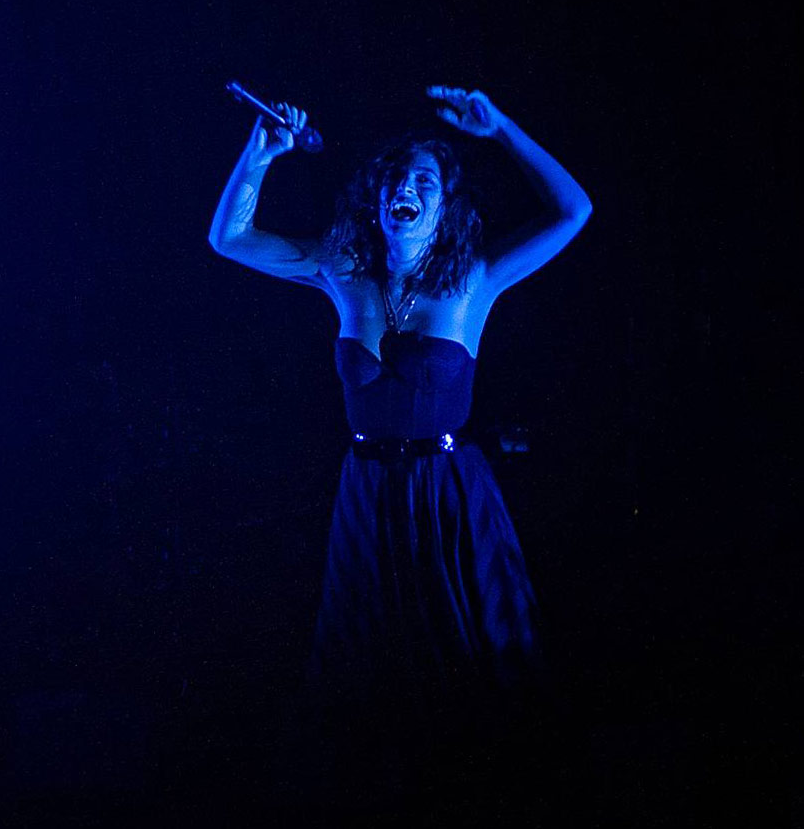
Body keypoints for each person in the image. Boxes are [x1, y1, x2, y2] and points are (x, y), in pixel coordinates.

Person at [207, 86, 591, 701]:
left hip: (448, 490)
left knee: (470, 666)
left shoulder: (474, 279)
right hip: (366, 489)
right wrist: (261, 155)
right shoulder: (342, 271)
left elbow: (574, 211)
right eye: (393, 180)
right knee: (369, 668)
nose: (404, 188)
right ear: (376, 198)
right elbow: (229, 239)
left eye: (423, 181)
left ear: (444, 206)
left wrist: (500, 129)